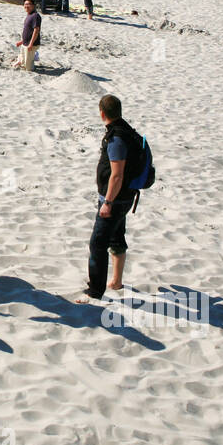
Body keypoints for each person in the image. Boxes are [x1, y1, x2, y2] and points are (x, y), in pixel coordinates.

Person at [76, 95, 141, 303]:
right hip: (125, 197)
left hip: (115, 200)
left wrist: (108, 203)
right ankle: (116, 282)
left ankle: (95, 291)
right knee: (116, 237)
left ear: (102, 113)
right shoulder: (127, 130)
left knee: (97, 243)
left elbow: (117, 174)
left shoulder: (117, 139)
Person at [12, 0, 41, 70]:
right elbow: (28, 31)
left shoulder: (35, 16)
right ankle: (23, 59)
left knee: (28, 68)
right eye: (25, 4)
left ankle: (35, 56)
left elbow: (36, 30)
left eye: (29, 4)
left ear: (34, 5)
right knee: (22, 57)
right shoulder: (29, 15)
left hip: (32, 44)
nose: (26, 6)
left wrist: (31, 44)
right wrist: (21, 42)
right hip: (25, 43)